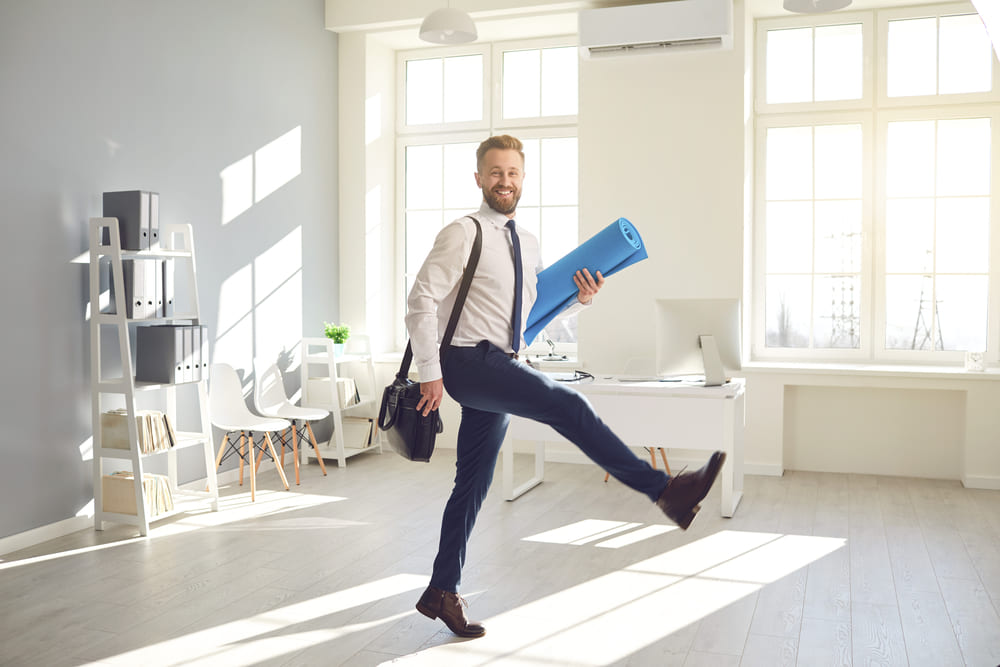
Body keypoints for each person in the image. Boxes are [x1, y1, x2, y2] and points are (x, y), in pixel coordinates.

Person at [405, 134, 726, 638]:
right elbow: (420, 301)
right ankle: (665, 491)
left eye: (512, 173)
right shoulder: (462, 233)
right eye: (494, 172)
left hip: (501, 360)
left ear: (522, 178)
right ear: (478, 178)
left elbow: (527, 317)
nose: (504, 181)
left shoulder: (526, 241)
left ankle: (442, 591)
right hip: (468, 362)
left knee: (472, 483)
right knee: (568, 404)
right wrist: (431, 372)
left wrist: (579, 299)